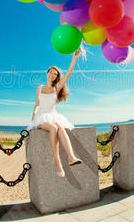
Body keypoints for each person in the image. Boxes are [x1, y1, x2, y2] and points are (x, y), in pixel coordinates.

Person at [29, 48, 83, 177]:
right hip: (41, 116)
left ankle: (71, 157)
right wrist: (34, 115)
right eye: (50, 72)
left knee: (60, 127)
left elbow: (68, 74)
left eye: (54, 74)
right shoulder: (39, 88)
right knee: (53, 128)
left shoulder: (56, 88)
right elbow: (37, 104)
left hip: (53, 114)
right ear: (47, 73)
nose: (52, 75)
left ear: (56, 77)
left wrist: (74, 59)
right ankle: (58, 162)